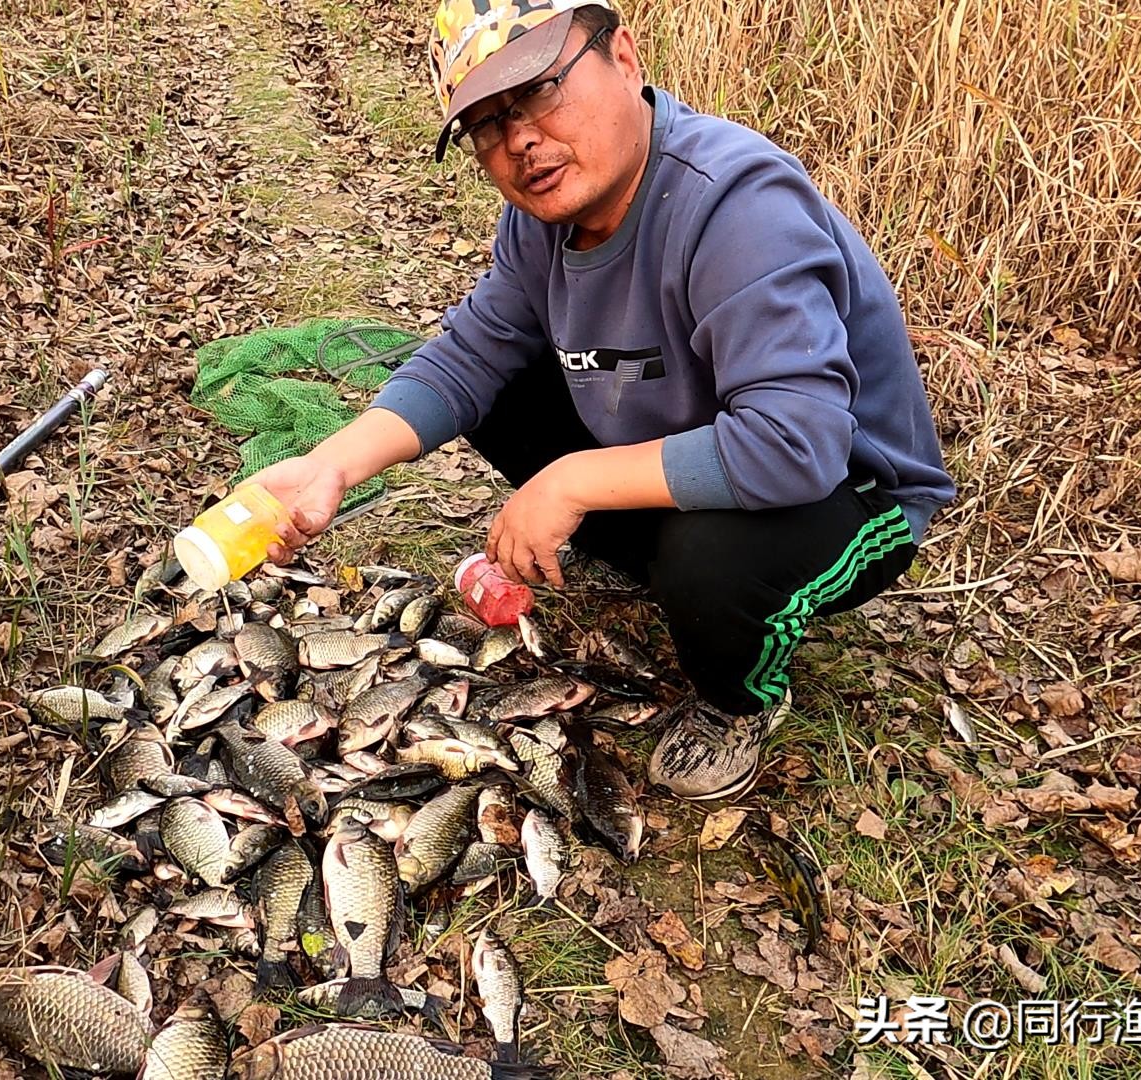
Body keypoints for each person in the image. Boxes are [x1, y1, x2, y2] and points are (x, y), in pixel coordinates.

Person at [248, 0, 955, 801]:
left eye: (538, 90)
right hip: (703, 442)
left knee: (707, 561)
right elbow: (469, 357)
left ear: (623, 56)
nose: (519, 140)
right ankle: (659, 555)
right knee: (502, 387)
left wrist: (572, 481)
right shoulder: (543, 221)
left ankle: (740, 700)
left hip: (849, 493)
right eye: (487, 123)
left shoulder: (737, 204)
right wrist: (333, 465)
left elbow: (796, 444)